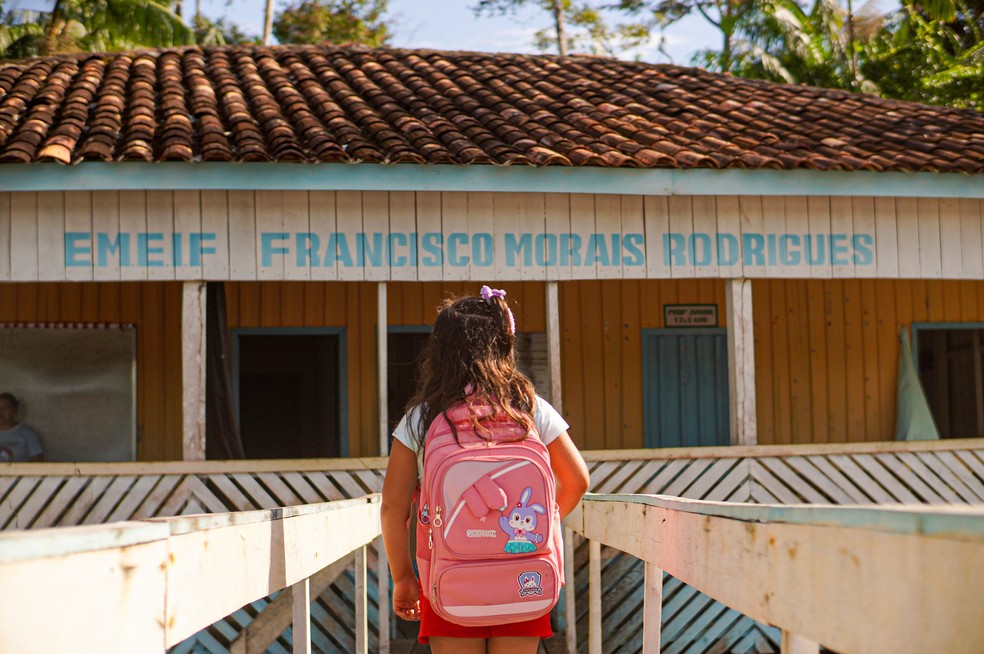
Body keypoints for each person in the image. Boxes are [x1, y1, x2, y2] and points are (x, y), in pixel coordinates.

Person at [381, 286, 590, 654]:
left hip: (449, 572)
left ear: (440, 350)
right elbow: (577, 481)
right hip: (522, 572)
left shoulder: (422, 418)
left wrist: (403, 578)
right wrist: (536, 526)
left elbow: (393, 508)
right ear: (505, 343)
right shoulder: (528, 407)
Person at [0, 393, 44, 462]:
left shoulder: (27, 433)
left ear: (14, 410)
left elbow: (37, 461)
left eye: (5, 408)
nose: (0, 411)